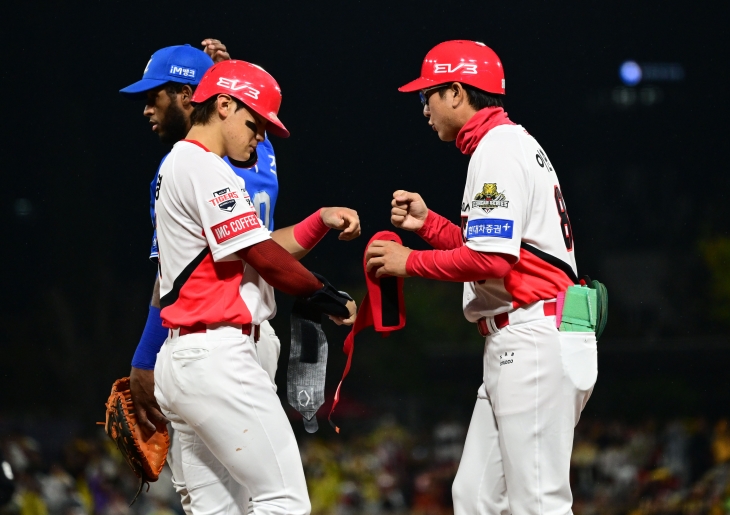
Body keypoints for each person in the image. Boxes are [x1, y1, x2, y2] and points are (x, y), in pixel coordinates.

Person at [120, 42, 360, 513]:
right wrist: (324, 294)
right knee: (284, 501)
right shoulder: (200, 164)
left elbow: (257, 244)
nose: (258, 138)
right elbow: (261, 254)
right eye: (254, 125)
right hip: (217, 357)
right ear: (223, 105)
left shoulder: (182, 165)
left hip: (188, 358)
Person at [366, 40, 598, 514]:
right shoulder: (507, 143)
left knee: (538, 503)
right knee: (473, 496)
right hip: (524, 335)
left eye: (426, 94)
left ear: (455, 92)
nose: (424, 108)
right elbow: (498, 251)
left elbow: (492, 262)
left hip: (534, 335)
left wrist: (407, 261)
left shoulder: (498, 148)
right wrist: (430, 225)